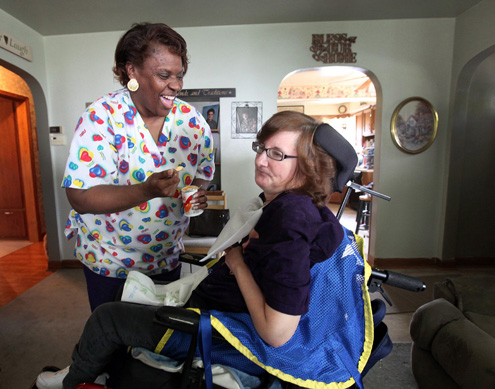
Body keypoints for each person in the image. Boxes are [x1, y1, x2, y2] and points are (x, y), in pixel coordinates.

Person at [45, 111, 372, 389]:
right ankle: (93, 367)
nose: (260, 159)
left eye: (277, 154)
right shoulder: (296, 206)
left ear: (308, 165)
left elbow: (276, 333)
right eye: (262, 148)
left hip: (222, 330)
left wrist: (237, 262)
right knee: (123, 295)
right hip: (221, 306)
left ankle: (73, 381)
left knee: (106, 317)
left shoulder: (290, 217)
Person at [61, 23, 215, 312]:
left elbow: (202, 176)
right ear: (131, 71)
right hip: (110, 262)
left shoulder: (192, 121)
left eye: (180, 75)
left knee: (160, 342)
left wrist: (194, 196)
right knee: (115, 342)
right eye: (163, 75)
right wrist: (147, 190)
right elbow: (80, 198)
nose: (177, 85)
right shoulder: (102, 117)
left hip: (166, 258)